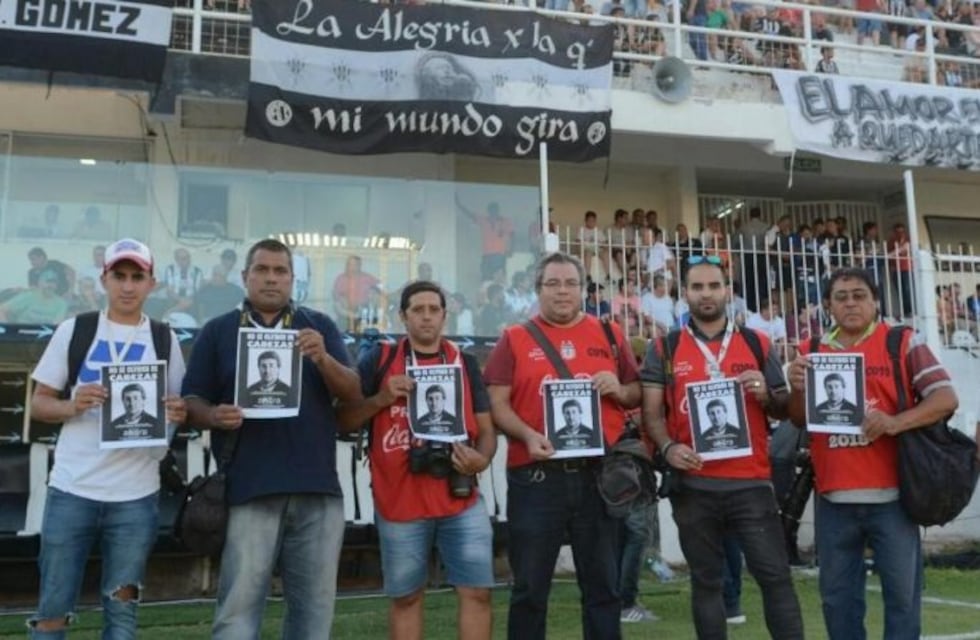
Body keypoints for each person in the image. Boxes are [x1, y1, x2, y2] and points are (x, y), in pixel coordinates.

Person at [182, 238, 362, 639]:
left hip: (317, 487)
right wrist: (213, 415)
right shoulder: (218, 331)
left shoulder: (319, 325)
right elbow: (191, 400)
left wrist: (323, 359)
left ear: (292, 280)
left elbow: (353, 392)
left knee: (313, 612)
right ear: (245, 277)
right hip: (249, 487)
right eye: (261, 270)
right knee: (238, 610)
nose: (270, 278)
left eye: (280, 271)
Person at [27, 238, 187, 637]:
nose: (128, 286)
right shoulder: (74, 331)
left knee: (122, 614)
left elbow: (176, 409)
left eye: (137, 277)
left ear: (152, 283)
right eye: (119, 276)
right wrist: (73, 405)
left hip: (135, 497)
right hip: (72, 489)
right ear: (104, 279)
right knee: (53, 609)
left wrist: (178, 414)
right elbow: (39, 404)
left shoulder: (165, 340)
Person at [786, 267, 958, 640]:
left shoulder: (902, 342)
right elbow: (799, 418)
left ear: (875, 301)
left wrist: (895, 422)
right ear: (828, 305)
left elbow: (945, 398)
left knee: (901, 600)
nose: (851, 303)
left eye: (859, 295)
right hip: (832, 495)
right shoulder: (811, 350)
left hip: (893, 496)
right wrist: (797, 386)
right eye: (841, 296)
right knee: (837, 600)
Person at [641, 255, 804, 639]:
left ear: (727, 291)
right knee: (707, 581)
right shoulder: (664, 347)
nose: (706, 294)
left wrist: (766, 395)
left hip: (751, 483)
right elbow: (651, 414)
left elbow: (784, 407)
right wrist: (666, 449)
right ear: (685, 294)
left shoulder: (755, 341)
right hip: (695, 485)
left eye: (714, 285)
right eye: (697, 287)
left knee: (775, 578)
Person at [484, 252, 641, 640]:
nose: (562, 291)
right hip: (536, 477)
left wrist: (618, 388)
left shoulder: (609, 334)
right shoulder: (514, 338)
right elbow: (496, 403)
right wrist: (526, 435)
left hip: (596, 477)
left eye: (570, 283)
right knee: (530, 589)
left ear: (584, 289)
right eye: (552, 283)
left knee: (603, 587)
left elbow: (636, 392)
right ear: (538, 290)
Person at [336, 280, 496, 640]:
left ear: (444, 315)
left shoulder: (464, 362)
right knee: (406, 598)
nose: (426, 317)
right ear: (403, 316)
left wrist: (481, 459)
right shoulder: (379, 359)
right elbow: (343, 420)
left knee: (478, 592)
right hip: (400, 502)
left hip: (460, 497)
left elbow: (486, 430)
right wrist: (380, 398)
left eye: (433, 310)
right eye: (417, 310)